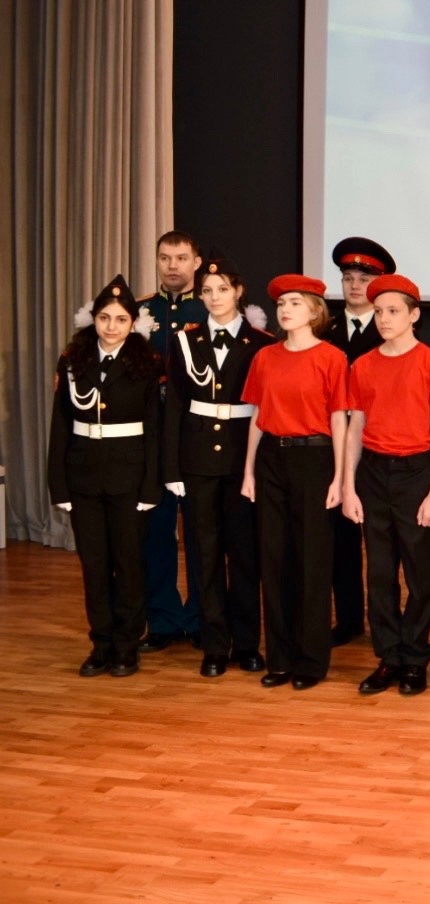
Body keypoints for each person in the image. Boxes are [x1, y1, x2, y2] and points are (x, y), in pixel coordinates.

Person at [162, 250, 275, 677]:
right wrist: (171, 468)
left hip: (243, 459)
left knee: (245, 554)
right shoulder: (185, 341)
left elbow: (265, 408)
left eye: (222, 289)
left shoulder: (262, 343)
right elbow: (175, 406)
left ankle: (246, 643)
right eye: (207, 291)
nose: (214, 297)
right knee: (204, 554)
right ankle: (214, 644)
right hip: (197, 461)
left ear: (238, 291)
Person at [342, 274, 430, 697]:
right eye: (379, 312)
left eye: (393, 311)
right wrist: (349, 486)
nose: (384, 319)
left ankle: (415, 656)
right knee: (380, 571)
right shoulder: (363, 365)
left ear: (414, 315)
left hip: (415, 471)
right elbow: (355, 429)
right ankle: (389, 656)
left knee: (419, 571)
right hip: (373, 472)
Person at [49, 275, 163, 678]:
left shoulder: (147, 363)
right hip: (83, 476)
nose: (111, 326)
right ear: (92, 319)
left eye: (120, 319)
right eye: (104, 318)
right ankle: (101, 643)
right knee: (94, 565)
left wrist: (151, 486)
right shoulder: (73, 360)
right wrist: (58, 484)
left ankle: (127, 645)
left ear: (133, 322)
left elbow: (154, 429)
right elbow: (61, 425)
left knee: (128, 563)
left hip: (129, 477)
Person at [241, 275, 351, 690]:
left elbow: (339, 420)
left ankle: (311, 660)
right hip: (272, 457)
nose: (285, 310)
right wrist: (249, 471)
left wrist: (340, 476)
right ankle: (280, 657)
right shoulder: (265, 357)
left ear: (315, 311)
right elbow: (257, 415)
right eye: (281, 303)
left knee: (312, 560)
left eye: (295, 303)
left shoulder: (331, 358)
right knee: (274, 558)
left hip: (314, 458)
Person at [134, 231, 207, 654]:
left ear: (196, 262)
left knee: (200, 534)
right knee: (155, 535)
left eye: (181, 257)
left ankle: (200, 617)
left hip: (196, 439)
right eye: (165, 258)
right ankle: (162, 619)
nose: (172, 265)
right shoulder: (140, 311)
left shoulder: (210, 308)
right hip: (151, 442)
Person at [323, 236, 396, 647]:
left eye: (363, 279)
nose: (354, 285)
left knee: (385, 543)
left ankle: (388, 621)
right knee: (340, 538)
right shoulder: (324, 328)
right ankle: (349, 618)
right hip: (333, 444)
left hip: (379, 443)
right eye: (348, 277)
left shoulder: (392, 329)